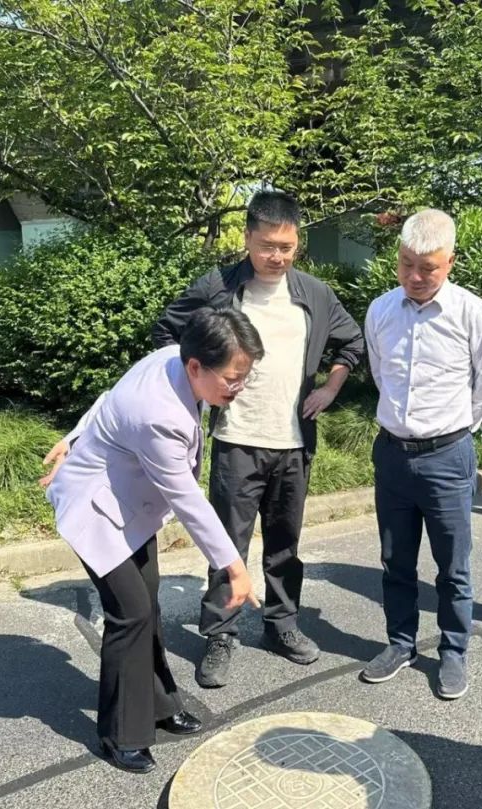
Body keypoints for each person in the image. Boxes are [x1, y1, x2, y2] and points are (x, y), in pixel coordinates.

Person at [151, 192, 364, 688]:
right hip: (237, 441)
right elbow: (166, 332)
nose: (277, 256)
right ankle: (220, 633)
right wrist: (197, 390)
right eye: (267, 245)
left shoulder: (314, 294)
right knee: (226, 543)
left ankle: (281, 623)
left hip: (294, 443)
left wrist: (330, 388)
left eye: (287, 247)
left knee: (285, 544)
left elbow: (352, 342)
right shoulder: (218, 287)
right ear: (247, 238)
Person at [43, 308, 261, 774]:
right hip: (95, 511)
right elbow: (187, 499)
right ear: (196, 366)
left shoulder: (173, 357)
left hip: (130, 506)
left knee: (148, 606)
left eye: (245, 376)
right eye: (232, 378)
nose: (239, 387)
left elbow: (108, 398)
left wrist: (72, 437)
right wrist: (234, 567)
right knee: (131, 614)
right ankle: (120, 734)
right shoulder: (159, 415)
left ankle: (160, 704)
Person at [360, 208, 482, 699]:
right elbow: (380, 373)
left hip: (447, 457)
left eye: (428, 268)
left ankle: (454, 650)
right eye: (406, 265)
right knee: (395, 560)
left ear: (450, 262)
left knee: (453, 566)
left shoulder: (472, 313)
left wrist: (457, 429)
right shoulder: (381, 310)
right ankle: (400, 643)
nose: (415, 277)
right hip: (392, 456)